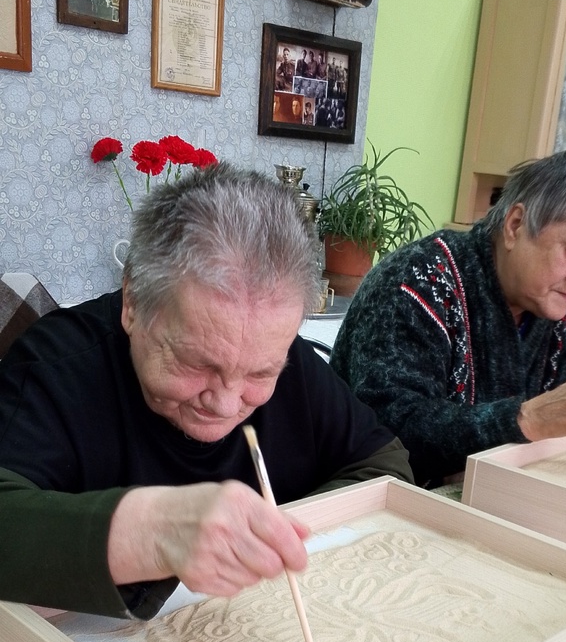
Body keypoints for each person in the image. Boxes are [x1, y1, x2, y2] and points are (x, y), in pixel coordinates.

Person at [0, 165, 412, 618]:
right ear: (134, 303)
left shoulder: (275, 353)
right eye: (196, 364)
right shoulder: (54, 370)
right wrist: (152, 534)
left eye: (261, 373)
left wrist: (276, 540)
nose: (225, 402)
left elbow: (383, 465)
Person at [330, 151, 566, 488]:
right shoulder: (418, 281)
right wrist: (527, 420)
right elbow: (389, 433)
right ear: (515, 225)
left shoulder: (557, 305)